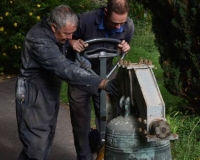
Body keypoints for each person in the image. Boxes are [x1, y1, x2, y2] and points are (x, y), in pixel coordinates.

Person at [15, 5, 117, 160]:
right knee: (36, 146)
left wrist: (82, 62)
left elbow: (66, 59)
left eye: (72, 33)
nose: (70, 38)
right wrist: (101, 82)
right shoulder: (39, 40)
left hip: (47, 91)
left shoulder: (55, 35)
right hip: (33, 94)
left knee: (45, 139)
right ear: (54, 26)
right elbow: (63, 68)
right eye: (67, 33)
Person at [68, 0, 134, 159]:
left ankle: (103, 155)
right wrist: (73, 42)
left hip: (107, 72)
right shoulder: (84, 21)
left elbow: (126, 44)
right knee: (80, 121)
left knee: (108, 118)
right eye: (115, 22)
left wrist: (125, 47)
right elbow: (66, 37)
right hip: (81, 75)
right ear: (106, 12)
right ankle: (84, 156)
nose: (119, 27)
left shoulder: (129, 25)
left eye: (122, 23)